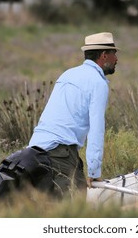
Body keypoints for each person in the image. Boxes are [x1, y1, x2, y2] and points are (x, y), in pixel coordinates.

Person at [28, 32, 119, 199]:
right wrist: (94, 171)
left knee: (43, 204)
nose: (116, 59)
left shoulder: (67, 74)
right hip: (59, 152)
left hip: (34, 149)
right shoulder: (98, 83)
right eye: (114, 54)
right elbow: (96, 130)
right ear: (104, 55)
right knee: (74, 206)